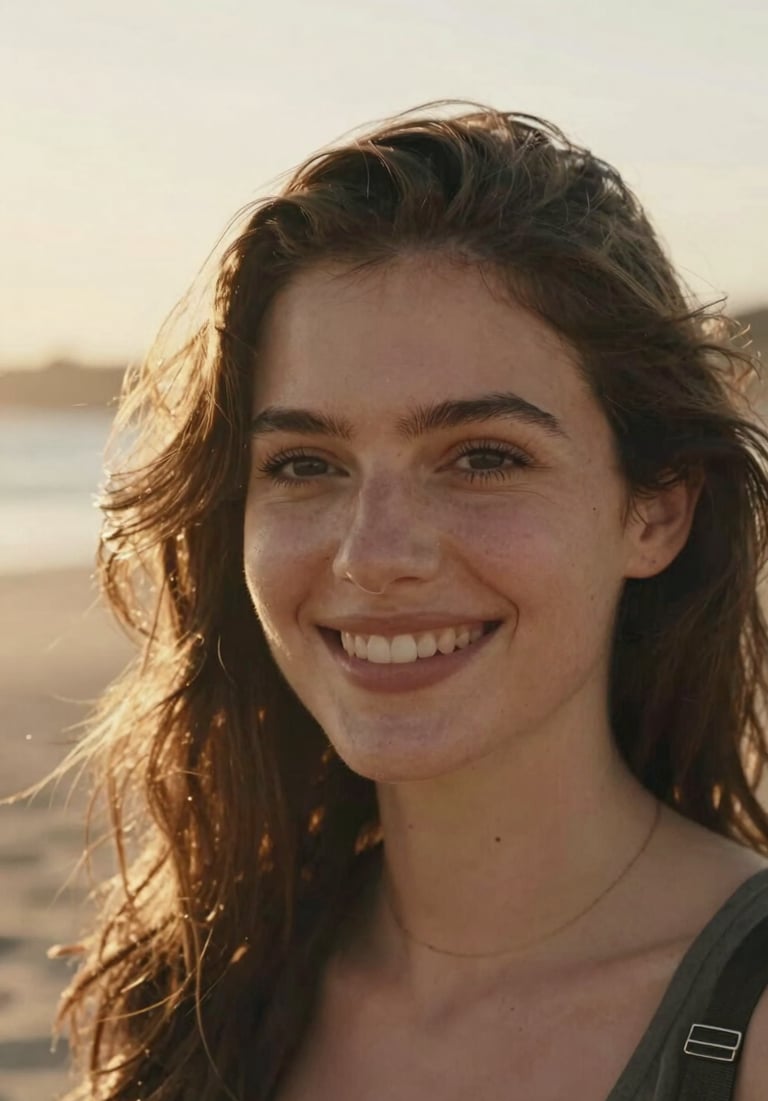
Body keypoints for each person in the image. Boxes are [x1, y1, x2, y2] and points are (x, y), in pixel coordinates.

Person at [50, 103, 768, 1100]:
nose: (373, 555)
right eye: (305, 463)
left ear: (657, 510)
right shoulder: (202, 994)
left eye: (483, 457)